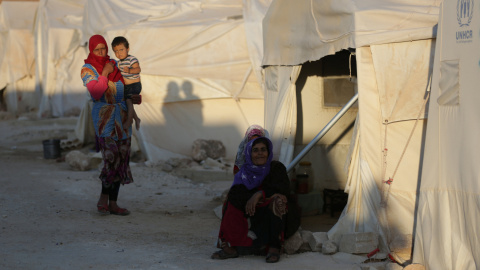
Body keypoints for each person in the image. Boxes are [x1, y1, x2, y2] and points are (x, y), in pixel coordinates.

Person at [212, 137, 299, 263]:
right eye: (255, 150)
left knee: (278, 201)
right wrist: (252, 199)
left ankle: (274, 247)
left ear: (268, 152)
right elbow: (236, 193)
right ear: (249, 153)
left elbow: (283, 188)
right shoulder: (244, 172)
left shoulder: (276, 168)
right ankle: (231, 248)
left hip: (269, 214)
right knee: (230, 202)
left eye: (263, 150)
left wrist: (260, 194)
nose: (260, 153)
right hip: (252, 213)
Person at [81, 34, 133, 216]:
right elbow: (96, 92)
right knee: (111, 158)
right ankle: (104, 197)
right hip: (104, 120)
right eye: (97, 49)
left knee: (122, 159)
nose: (101, 51)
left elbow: (127, 90)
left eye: (103, 48)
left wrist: (132, 112)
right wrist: (104, 73)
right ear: (91, 50)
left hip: (123, 118)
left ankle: (113, 203)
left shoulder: (116, 64)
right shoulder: (87, 69)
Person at [111, 36, 142, 130]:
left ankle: (129, 121)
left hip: (134, 85)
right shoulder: (119, 62)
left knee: (129, 101)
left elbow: (138, 69)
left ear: (127, 49)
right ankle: (136, 118)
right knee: (127, 102)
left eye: (121, 50)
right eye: (116, 51)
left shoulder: (132, 59)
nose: (119, 53)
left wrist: (129, 70)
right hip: (126, 86)